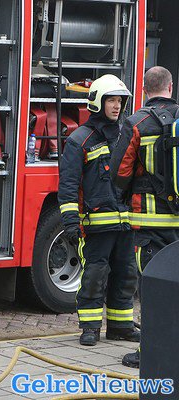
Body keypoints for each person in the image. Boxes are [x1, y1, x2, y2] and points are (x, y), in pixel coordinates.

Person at [58, 74, 140, 346]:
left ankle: (121, 326)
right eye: (111, 100)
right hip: (96, 225)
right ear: (97, 102)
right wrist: (71, 221)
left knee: (126, 275)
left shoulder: (127, 135)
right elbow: (68, 184)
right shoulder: (79, 140)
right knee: (95, 275)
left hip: (125, 223)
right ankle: (90, 328)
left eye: (120, 101)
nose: (117, 106)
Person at [110, 66, 179, 368]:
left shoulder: (136, 123)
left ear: (144, 90)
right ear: (171, 87)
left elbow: (119, 172)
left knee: (152, 288)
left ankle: (149, 353)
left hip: (151, 224)